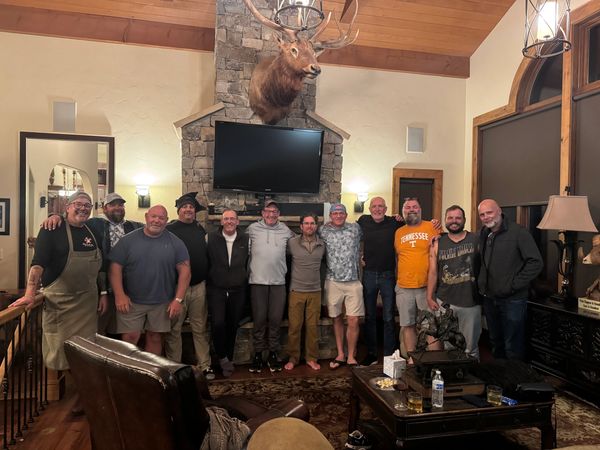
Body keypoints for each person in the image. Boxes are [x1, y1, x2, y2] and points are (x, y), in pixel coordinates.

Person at [10, 191, 106, 415]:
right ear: (67, 206)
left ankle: (88, 396)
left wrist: (103, 293)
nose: (83, 208)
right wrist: (30, 293)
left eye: (87, 205)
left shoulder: (94, 229)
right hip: (60, 302)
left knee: (86, 352)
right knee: (60, 350)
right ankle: (90, 393)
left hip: (87, 302)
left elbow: (100, 268)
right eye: (78, 204)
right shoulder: (51, 229)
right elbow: (37, 264)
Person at [41, 192, 143, 335]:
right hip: (101, 286)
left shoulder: (134, 226)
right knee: (98, 328)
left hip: (127, 288)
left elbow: (155, 225)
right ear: (104, 208)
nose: (117, 208)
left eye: (120, 205)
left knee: (124, 330)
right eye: (112, 205)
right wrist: (56, 216)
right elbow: (72, 219)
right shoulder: (94, 224)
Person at [109, 205, 191, 356]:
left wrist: (178, 300)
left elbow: (185, 272)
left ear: (166, 220)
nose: (157, 221)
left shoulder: (176, 243)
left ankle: (150, 370)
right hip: (131, 301)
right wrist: (119, 295)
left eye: (161, 218)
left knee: (155, 338)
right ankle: (129, 370)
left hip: (162, 302)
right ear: (146, 217)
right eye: (154, 216)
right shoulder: (127, 241)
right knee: (130, 338)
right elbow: (115, 268)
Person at [477, 199, 543, 360]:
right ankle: (500, 374)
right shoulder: (484, 233)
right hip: (490, 298)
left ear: (499, 211)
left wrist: (513, 285)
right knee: (496, 342)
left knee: (512, 345)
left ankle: (515, 376)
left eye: (489, 212)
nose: (486, 217)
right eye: (482, 214)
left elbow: (536, 262)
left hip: (513, 300)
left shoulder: (519, 233)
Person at [164, 192, 213, 379]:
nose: (188, 210)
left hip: (199, 286)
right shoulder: (169, 230)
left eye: (191, 207)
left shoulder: (200, 229)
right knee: (174, 329)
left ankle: (205, 365)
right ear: (178, 210)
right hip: (177, 288)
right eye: (184, 207)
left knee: (200, 328)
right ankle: (174, 368)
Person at [426, 205, 482, 359]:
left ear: (464, 220)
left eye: (458, 218)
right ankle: (453, 373)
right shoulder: (437, 243)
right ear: (445, 220)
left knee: (470, 347)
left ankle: (472, 374)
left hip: (471, 301)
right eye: (450, 218)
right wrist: (429, 296)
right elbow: (433, 272)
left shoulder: (476, 240)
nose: (454, 221)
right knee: (449, 346)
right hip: (445, 301)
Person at [246, 200, 294, 373]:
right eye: (267, 211)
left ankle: (273, 353)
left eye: (274, 211)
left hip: (278, 283)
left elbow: (297, 245)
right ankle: (258, 354)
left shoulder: (286, 230)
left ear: (279, 214)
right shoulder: (252, 229)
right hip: (257, 282)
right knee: (259, 320)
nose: (271, 214)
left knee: (275, 320)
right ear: (262, 213)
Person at [357, 197, 401, 366]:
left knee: (389, 317)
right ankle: (372, 354)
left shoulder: (394, 222)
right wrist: (360, 255)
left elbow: (412, 225)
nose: (377, 209)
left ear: (386, 208)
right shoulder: (363, 221)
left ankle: (390, 355)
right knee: (369, 316)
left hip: (388, 275)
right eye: (374, 206)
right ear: (369, 209)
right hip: (369, 274)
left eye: (380, 206)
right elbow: (352, 236)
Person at [394, 197, 440, 361]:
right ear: (403, 212)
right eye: (407, 207)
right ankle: (412, 361)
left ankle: (435, 362)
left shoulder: (432, 227)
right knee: (408, 325)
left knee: (430, 327)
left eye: (414, 206)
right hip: (403, 287)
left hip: (426, 287)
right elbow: (398, 257)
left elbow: (439, 254)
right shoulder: (399, 232)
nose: (411, 209)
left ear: (420, 210)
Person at [319, 203, 363, 369]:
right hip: (332, 281)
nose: (338, 215)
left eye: (341, 213)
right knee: (336, 317)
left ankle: (351, 355)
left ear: (346, 215)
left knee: (353, 319)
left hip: (353, 281)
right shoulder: (322, 231)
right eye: (335, 213)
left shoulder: (356, 228)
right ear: (331, 216)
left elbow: (373, 237)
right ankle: (340, 354)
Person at [206, 209, 250, 377]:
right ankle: (222, 357)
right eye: (226, 219)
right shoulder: (210, 238)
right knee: (218, 323)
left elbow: (249, 261)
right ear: (221, 221)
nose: (229, 221)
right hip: (216, 288)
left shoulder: (246, 238)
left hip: (238, 289)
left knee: (233, 325)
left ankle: (228, 358)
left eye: (232, 219)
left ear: (238, 222)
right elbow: (206, 261)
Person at [284, 213, 325, 371]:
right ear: (301, 226)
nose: (309, 226)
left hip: (315, 291)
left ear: (316, 226)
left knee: (312, 327)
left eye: (312, 223)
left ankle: (311, 358)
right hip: (296, 290)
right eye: (306, 223)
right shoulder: (292, 243)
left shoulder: (322, 245)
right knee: (294, 327)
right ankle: (293, 358)